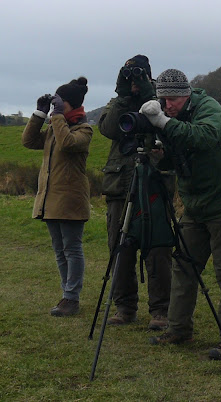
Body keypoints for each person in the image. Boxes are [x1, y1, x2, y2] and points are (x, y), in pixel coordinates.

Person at [140, 69, 221, 360]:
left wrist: (163, 122)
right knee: (184, 267)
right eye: (163, 100)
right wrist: (158, 155)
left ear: (186, 94)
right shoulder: (175, 115)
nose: (167, 106)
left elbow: (203, 138)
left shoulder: (209, 109)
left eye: (172, 100)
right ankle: (179, 329)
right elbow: (178, 157)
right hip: (195, 207)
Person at [98, 55, 173, 330]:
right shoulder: (117, 102)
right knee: (120, 249)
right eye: (128, 76)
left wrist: (148, 96)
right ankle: (125, 307)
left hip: (153, 184)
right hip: (120, 187)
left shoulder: (162, 100)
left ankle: (161, 310)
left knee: (158, 249)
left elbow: (170, 130)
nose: (132, 82)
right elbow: (108, 128)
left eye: (137, 76)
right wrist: (123, 96)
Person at [22, 77, 93, 317]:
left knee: (72, 249)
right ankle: (67, 295)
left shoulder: (84, 129)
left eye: (60, 103)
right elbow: (29, 141)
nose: (56, 107)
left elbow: (67, 144)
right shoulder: (55, 127)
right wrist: (39, 114)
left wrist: (58, 117)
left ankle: (71, 297)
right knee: (60, 250)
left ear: (70, 104)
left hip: (71, 200)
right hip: (51, 199)